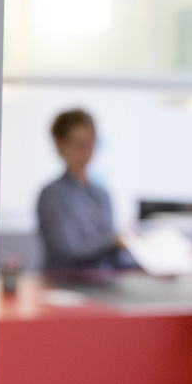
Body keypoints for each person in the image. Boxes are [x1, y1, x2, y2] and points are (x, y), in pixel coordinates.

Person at [36, 108, 129, 276]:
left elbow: (113, 258)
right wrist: (112, 242)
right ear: (60, 145)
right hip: (63, 284)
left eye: (90, 143)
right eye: (79, 145)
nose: (86, 152)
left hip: (100, 284)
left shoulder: (102, 194)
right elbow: (69, 251)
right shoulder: (52, 195)